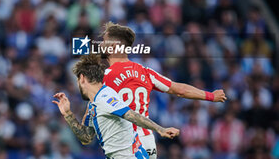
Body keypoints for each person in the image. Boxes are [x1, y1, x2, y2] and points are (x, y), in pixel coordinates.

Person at [96, 22, 227, 158]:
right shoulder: (145, 72)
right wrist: (210, 96)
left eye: (104, 41)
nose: (100, 45)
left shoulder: (105, 77)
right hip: (147, 141)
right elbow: (179, 90)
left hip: (124, 143)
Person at [53, 55, 179, 159]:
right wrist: (68, 114)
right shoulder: (94, 103)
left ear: (82, 78)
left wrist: (160, 129)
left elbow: (131, 115)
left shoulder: (105, 97)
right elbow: (86, 137)